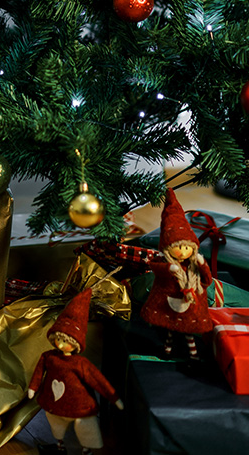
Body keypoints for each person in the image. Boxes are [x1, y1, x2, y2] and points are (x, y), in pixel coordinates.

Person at [27, 288, 123, 454]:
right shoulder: (49, 357)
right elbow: (38, 372)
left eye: (66, 341)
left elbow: (97, 379)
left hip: (80, 405)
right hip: (54, 402)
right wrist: (33, 388)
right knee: (55, 423)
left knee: (85, 426)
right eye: (58, 338)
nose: (61, 344)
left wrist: (113, 396)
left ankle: (86, 450)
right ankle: (59, 446)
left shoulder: (80, 363)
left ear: (76, 344)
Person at [140, 187, 213, 358]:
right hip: (169, 301)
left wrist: (202, 265)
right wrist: (169, 269)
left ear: (193, 248)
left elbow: (206, 281)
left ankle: (193, 355)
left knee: (188, 331)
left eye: (186, 247)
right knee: (170, 329)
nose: (182, 252)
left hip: (190, 304)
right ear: (167, 249)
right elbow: (155, 267)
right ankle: (167, 350)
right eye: (177, 247)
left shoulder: (193, 266)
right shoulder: (163, 262)